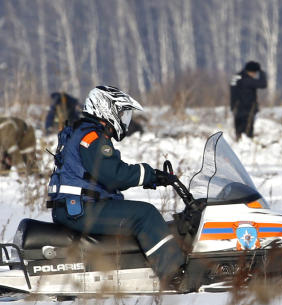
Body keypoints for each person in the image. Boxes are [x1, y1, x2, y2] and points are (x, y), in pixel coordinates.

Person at [47, 85, 187, 288]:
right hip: (81, 209)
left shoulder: (82, 131)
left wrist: (152, 178)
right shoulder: (92, 137)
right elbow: (113, 175)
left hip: (75, 207)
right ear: (106, 109)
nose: (124, 120)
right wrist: (150, 174)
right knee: (145, 214)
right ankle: (175, 276)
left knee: (133, 211)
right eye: (121, 113)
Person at [229, 61, 266, 141]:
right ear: (252, 71)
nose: (255, 75)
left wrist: (232, 107)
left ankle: (239, 144)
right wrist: (261, 71)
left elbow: (232, 91)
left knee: (238, 133)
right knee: (247, 134)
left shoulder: (236, 77)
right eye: (255, 72)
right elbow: (263, 84)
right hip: (247, 110)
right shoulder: (247, 80)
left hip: (237, 109)